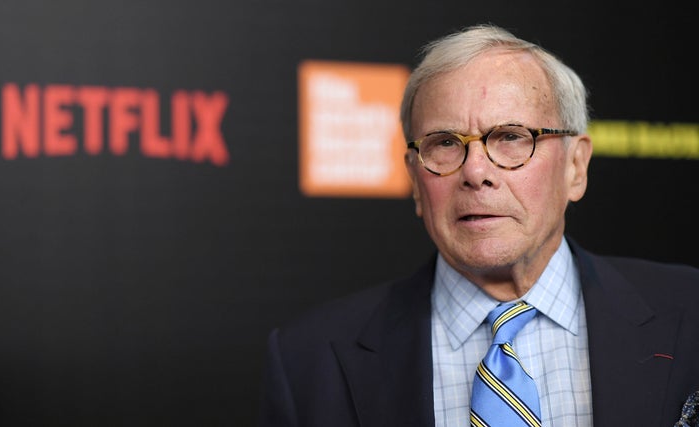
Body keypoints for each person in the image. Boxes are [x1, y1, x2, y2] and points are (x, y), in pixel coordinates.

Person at [258, 24, 699, 427]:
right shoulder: (309, 362)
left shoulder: (690, 313)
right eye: (445, 143)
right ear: (414, 179)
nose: (475, 172)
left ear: (576, 168)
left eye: (510, 137)